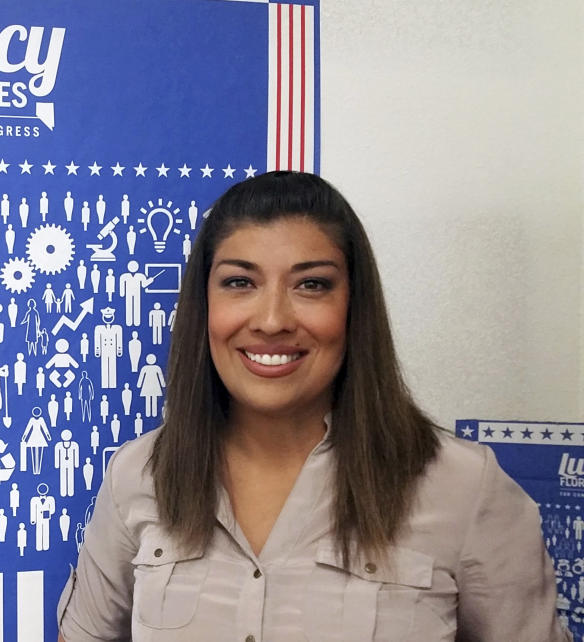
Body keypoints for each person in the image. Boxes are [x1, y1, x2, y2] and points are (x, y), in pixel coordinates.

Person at [56, 172, 569, 641]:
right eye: (240, 282)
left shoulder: (462, 486)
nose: (273, 318)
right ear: (204, 303)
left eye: (312, 284)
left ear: (353, 306)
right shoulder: (138, 475)